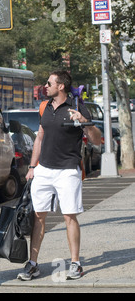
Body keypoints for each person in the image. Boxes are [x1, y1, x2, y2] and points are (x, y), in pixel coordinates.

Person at [18, 70, 101, 281]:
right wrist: (32, 166)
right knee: (38, 216)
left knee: (69, 216)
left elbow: (96, 140)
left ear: (60, 86)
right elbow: (39, 138)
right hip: (44, 169)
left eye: (49, 83)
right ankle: (33, 264)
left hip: (67, 170)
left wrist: (84, 121)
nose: (45, 86)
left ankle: (76, 263)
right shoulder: (45, 107)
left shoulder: (77, 107)